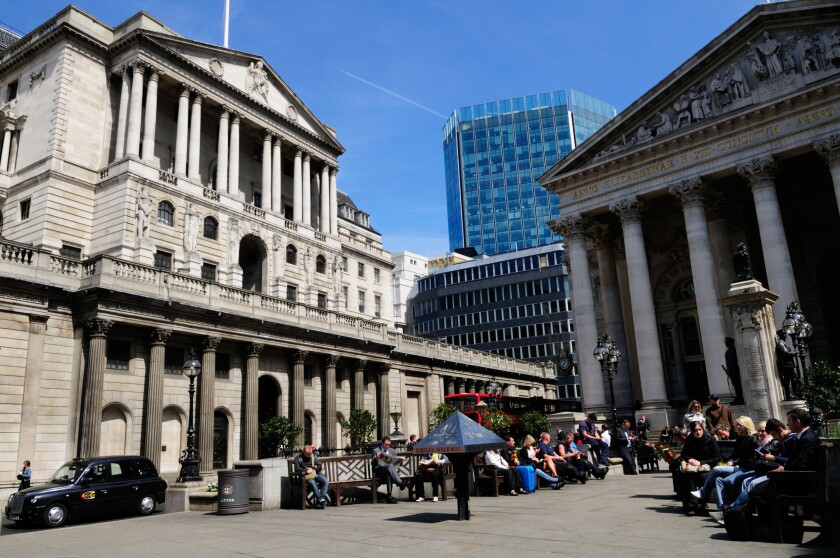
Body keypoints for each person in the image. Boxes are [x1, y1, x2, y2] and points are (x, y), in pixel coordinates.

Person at [745, 408, 820, 514]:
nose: (787, 424)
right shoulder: (804, 436)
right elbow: (796, 461)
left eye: (789, 421)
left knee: (755, 493)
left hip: (803, 484)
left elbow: (799, 464)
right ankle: (781, 522)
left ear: (797, 422)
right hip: (797, 479)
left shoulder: (807, 438)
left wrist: (782, 468)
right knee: (759, 490)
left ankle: (775, 524)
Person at [691, 416, 759, 520]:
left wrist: (734, 462)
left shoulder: (753, 438)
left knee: (717, 469)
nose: (738, 427)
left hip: (748, 468)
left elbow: (750, 458)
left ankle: (703, 492)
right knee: (718, 479)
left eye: (740, 425)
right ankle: (720, 511)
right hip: (739, 466)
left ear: (747, 425)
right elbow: (735, 454)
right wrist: (727, 461)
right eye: (737, 425)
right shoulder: (740, 437)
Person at [371, 436, 405, 504]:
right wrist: (377, 458)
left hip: (389, 470)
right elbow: (373, 464)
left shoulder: (392, 451)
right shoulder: (376, 450)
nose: (387, 446)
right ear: (382, 444)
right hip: (379, 471)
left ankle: (389, 497)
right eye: (386, 444)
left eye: (389, 444)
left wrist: (399, 462)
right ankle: (400, 483)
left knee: (389, 472)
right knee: (389, 466)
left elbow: (395, 464)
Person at [293, 444, 329, 509]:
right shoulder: (298, 458)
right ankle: (321, 500)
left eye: (310, 454)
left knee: (325, 480)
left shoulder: (313, 456)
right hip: (305, 476)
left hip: (315, 474)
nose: (309, 455)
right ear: (303, 452)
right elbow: (297, 469)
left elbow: (319, 465)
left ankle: (320, 500)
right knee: (312, 482)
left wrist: (317, 467)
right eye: (307, 454)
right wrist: (306, 470)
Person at [723, 337, 745, 405]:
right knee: (735, 385)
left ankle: (739, 398)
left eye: (726, 342)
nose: (725, 343)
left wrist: (729, 371)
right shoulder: (730, 350)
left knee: (737, 385)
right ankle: (738, 398)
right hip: (732, 370)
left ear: (730, 343)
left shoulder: (731, 351)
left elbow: (732, 362)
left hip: (734, 371)